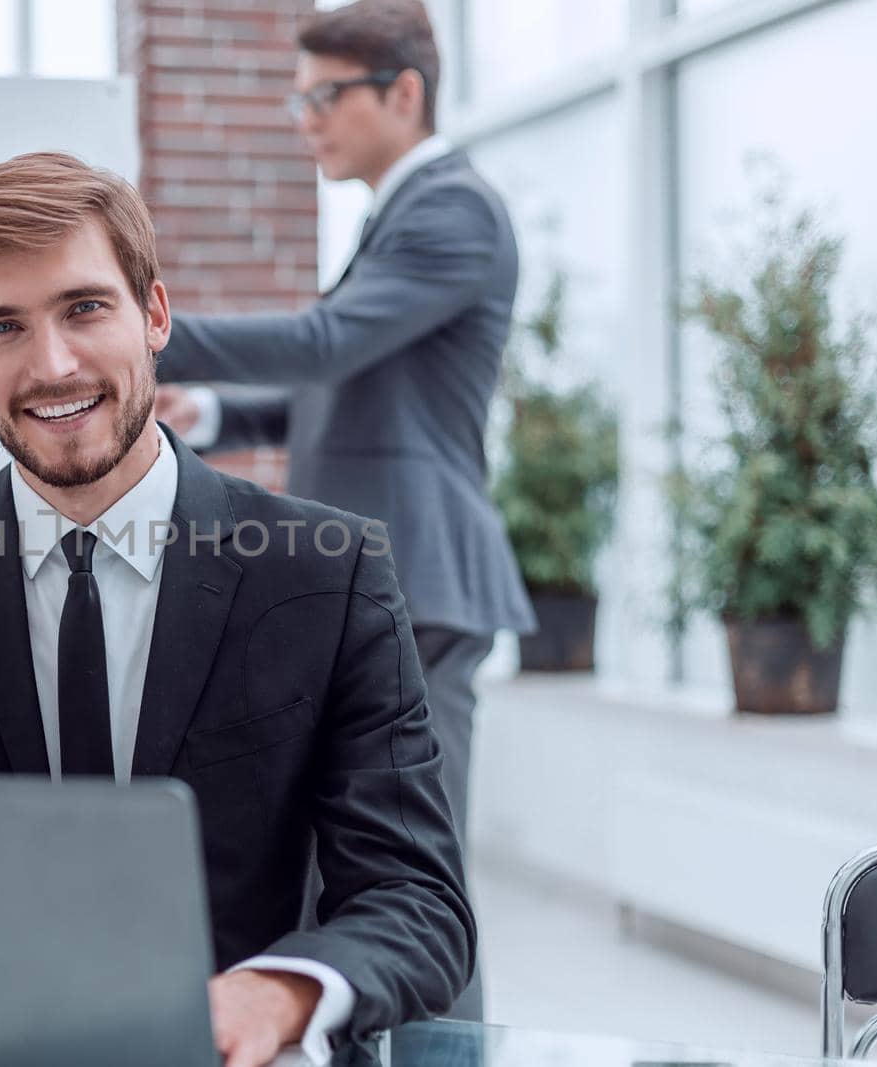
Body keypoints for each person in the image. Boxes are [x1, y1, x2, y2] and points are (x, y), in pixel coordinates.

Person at [0, 152, 473, 1067]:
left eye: (84, 308)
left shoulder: (325, 573)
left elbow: (418, 899)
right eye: (2, 327)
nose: (52, 364)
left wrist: (284, 988)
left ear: (154, 314)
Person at [153, 0, 534, 1020]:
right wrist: (216, 407)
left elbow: (325, 345)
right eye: (298, 96)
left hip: (423, 571)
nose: (304, 119)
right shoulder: (399, 214)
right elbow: (342, 378)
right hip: (376, 581)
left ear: (401, 92)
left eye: (324, 95)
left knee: (415, 877)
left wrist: (137, 329)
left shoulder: (453, 209)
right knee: (356, 866)